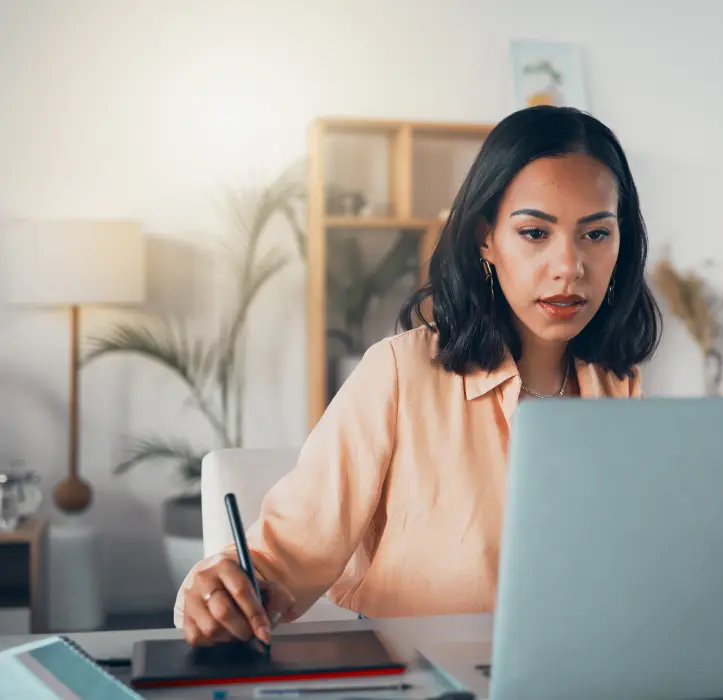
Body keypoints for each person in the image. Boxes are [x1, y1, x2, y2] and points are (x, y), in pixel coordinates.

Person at [174, 105, 662, 647]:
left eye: (596, 235)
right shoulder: (399, 373)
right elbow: (282, 560)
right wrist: (223, 593)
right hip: (421, 679)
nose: (569, 266)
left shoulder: (619, 385)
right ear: (486, 239)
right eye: (534, 233)